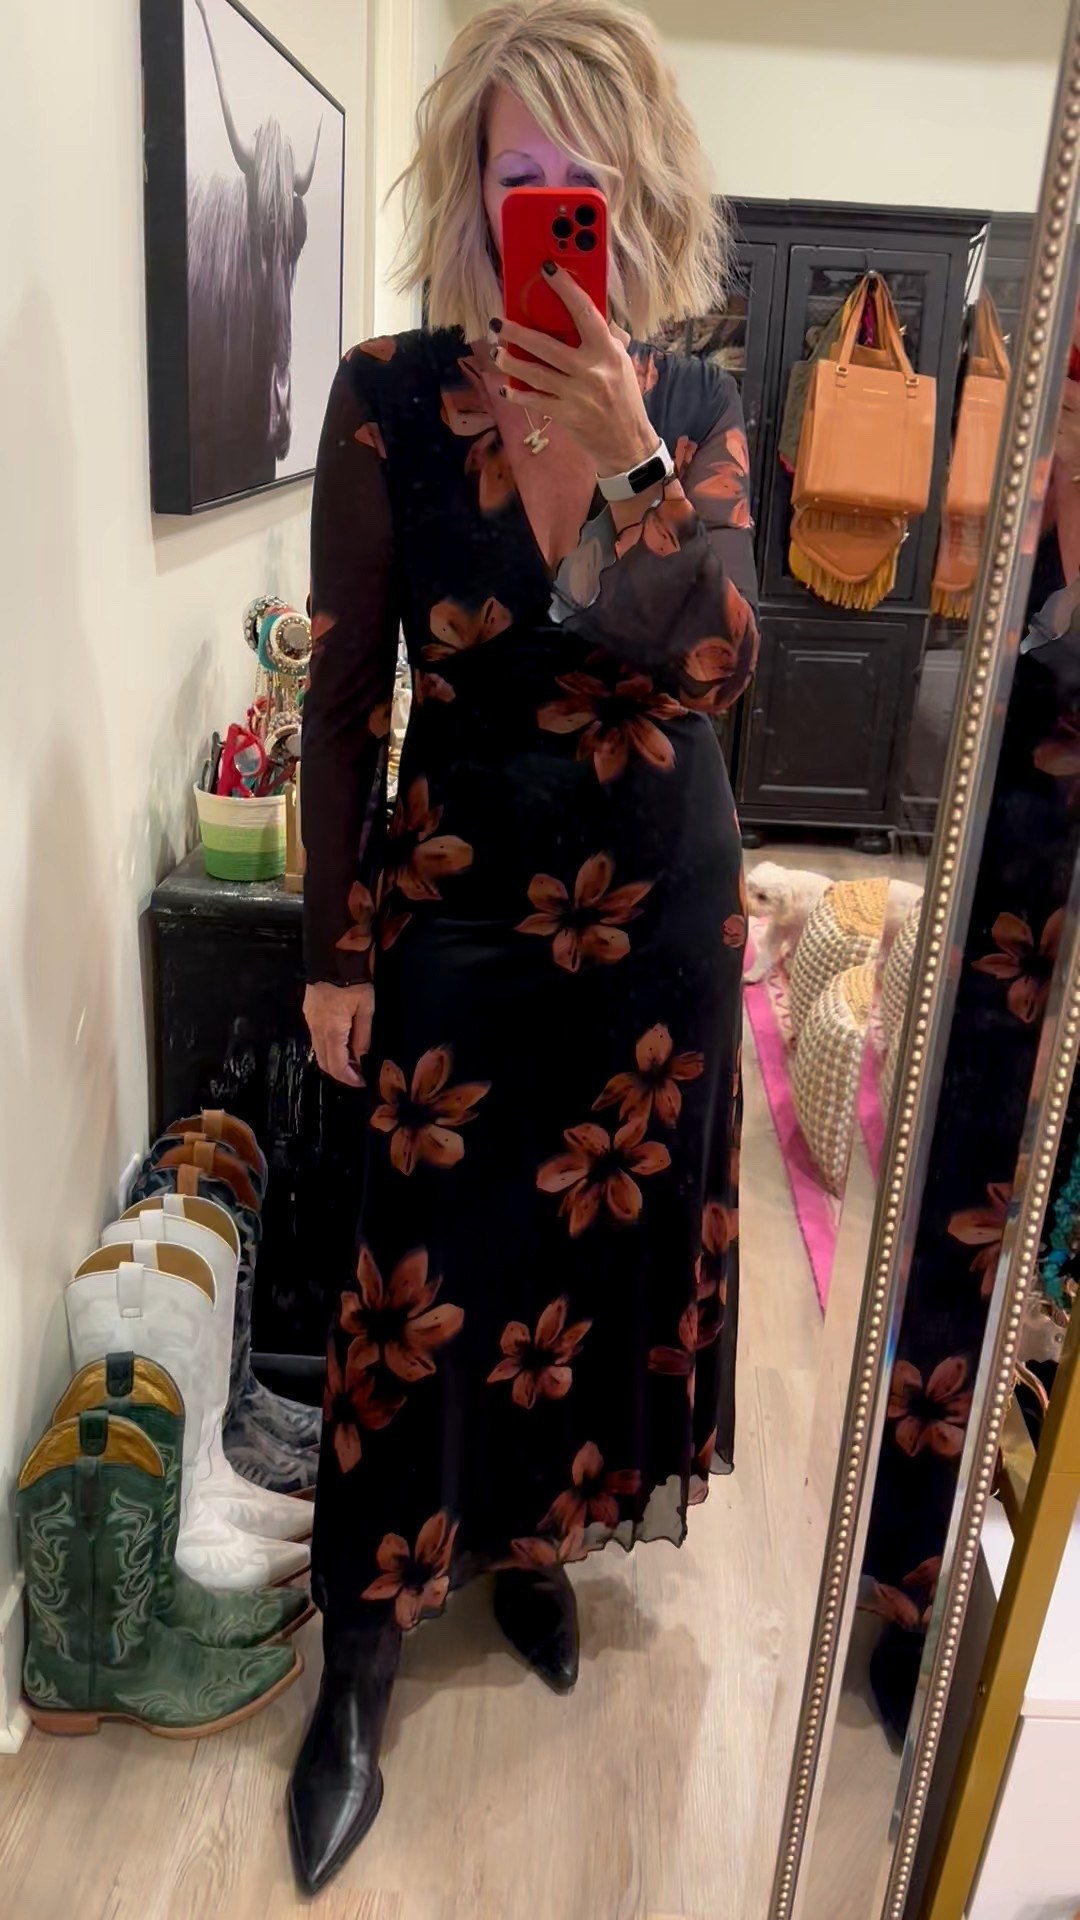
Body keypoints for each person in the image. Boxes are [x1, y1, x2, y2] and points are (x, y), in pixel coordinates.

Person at [290, 0, 759, 1892]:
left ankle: (535, 1548)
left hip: (658, 924)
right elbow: (341, 701)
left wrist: (633, 458)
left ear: (632, 196)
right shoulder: (387, 394)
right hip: (460, 911)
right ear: (469, 189)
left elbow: (719, 666)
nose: (547, 207)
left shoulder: (697, 402)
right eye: (517, 174)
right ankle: (360, 1652)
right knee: (412, 1284)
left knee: (592, 1261)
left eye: (582, 177)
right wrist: (334, 949)